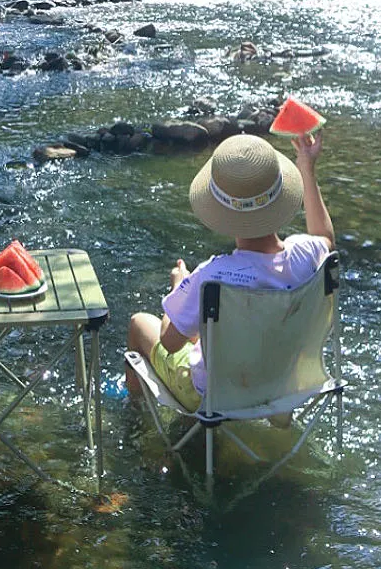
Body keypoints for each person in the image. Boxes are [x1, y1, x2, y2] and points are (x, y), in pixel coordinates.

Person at [125, 130, 334, 410]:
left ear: (219, 213)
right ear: (281, 197)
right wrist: (307, 167)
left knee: (139, 323)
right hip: (283, 383)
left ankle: (136, 415)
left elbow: (170, 342)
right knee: (209, 330)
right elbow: (325, 237)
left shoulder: (213, 277)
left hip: (216, 396)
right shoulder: (307, 254)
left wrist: (179, 287)